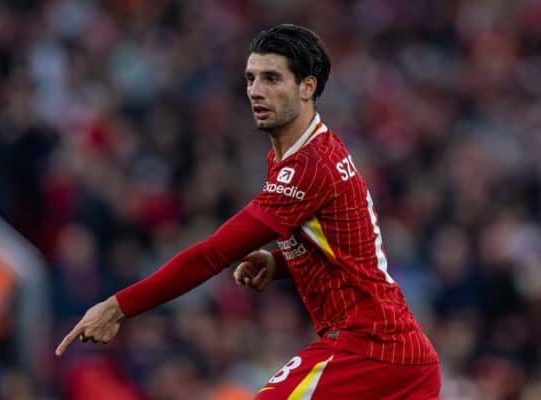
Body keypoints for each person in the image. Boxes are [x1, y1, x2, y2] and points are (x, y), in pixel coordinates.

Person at [56, 24, 441, 399]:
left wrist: (117, 308)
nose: (256, 91)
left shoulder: (307, 167)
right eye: (251, 78)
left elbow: (214, 254)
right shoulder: (310, 151)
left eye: (272, 78)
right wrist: (278, 263)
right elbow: (352, 253)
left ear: (307, 87)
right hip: (399, 354)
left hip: (372, 350)